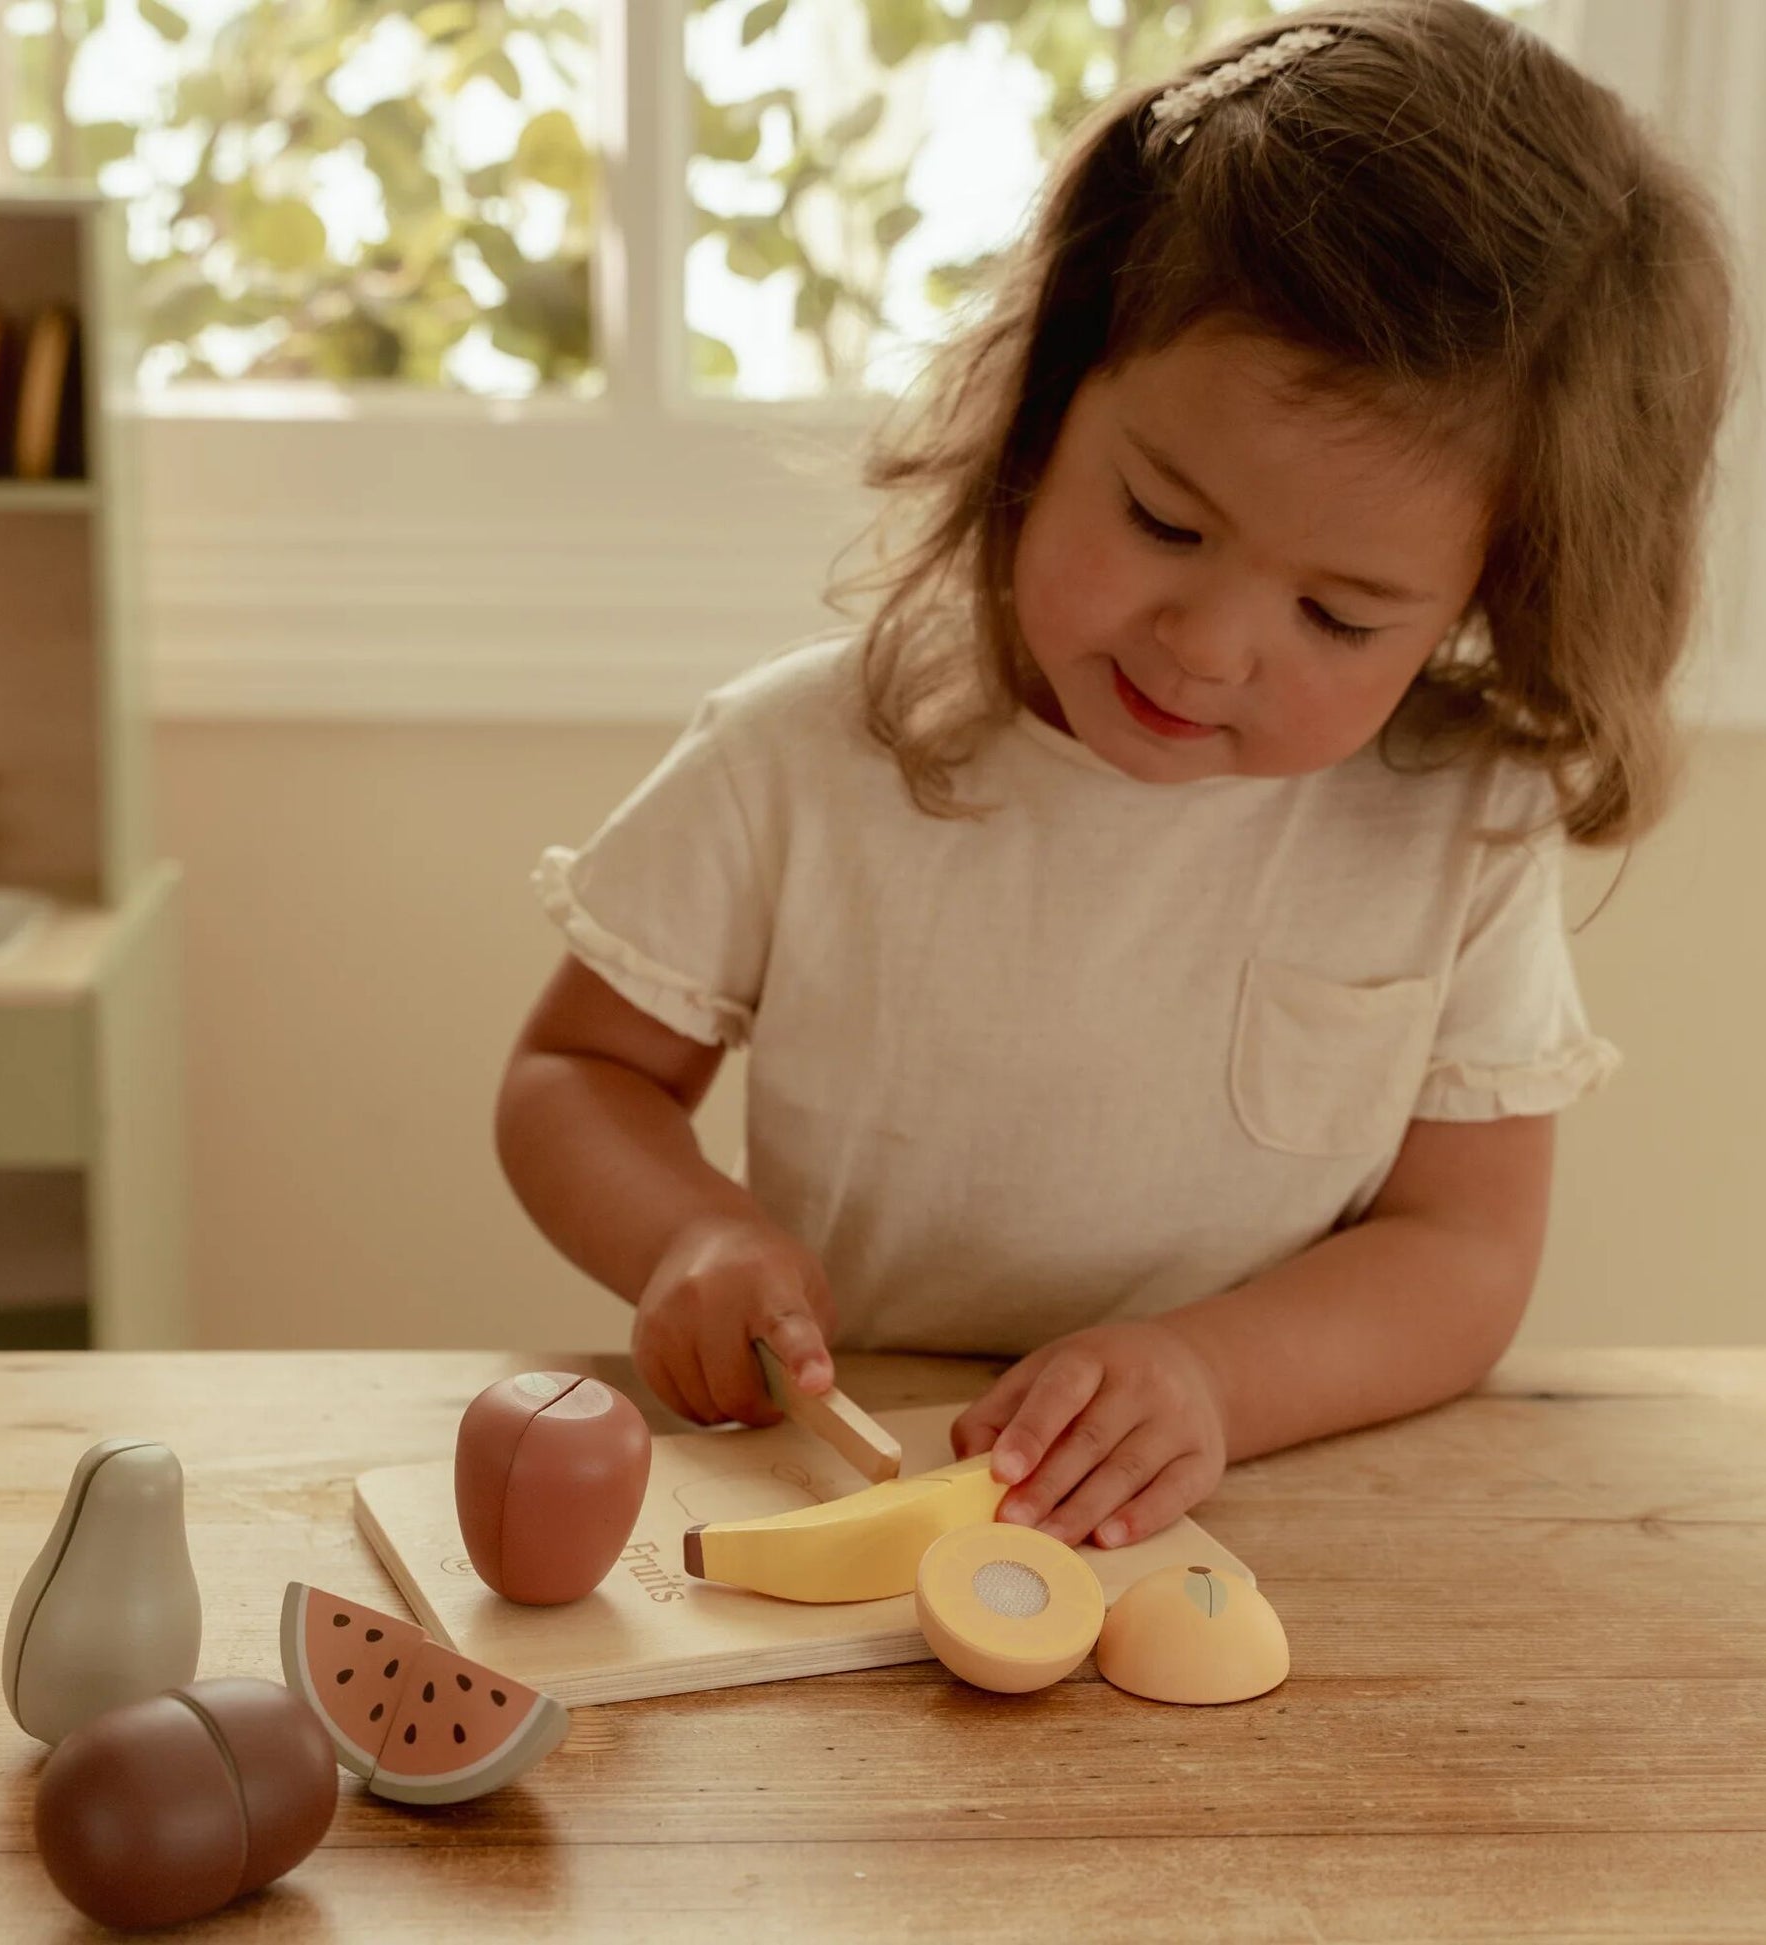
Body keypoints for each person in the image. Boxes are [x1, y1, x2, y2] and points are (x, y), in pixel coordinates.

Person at [495, 0, 1737, 1551]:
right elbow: (576, 1077)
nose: (1208, 646)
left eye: (1338, 615)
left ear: (1491, 597)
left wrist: (1209, 1377)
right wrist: (691, 1234)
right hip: (840, 1486)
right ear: (1050, 394)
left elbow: (1461, 1248)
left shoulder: (1451, 827)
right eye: (1160, 518)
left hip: (1265, 1506)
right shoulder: (802, 756)